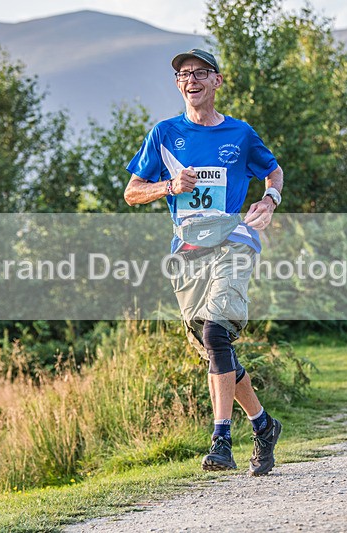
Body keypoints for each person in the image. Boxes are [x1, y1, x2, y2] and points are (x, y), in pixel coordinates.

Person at [124, 48, 285, 476]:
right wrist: (167, 186)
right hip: (188, 252)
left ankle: (221, 439)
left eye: (199, 73)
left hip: (234, 240)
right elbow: (132, 192)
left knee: (216, 331)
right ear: (178, 85)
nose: (190, 79)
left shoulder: (240, 134)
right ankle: (264, 425)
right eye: (182, 74)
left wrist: (270, 200)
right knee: (214, 348)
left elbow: (274, 171)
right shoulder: (164, 134)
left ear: (217, 81)